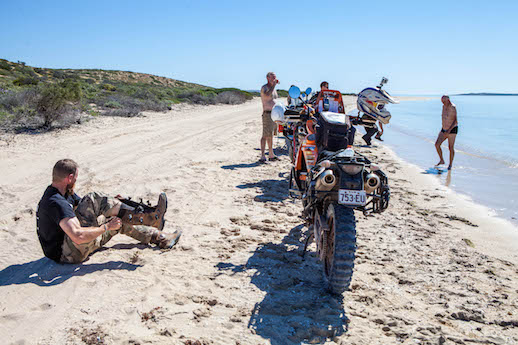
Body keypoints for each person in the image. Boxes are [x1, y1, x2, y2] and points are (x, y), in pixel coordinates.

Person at [36, 159, 182, 264]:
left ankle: (161, 237)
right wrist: (105, 227)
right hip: (67, 254)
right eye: (76, 178)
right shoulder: (55, 202)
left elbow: (86, 208)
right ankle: (151, 217)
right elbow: (78, 236)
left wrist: (116, 204)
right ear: (70, 178)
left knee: (117, 219)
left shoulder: (64, 193)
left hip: (70, 247)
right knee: (94, 199)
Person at [260, 72, 279, 162]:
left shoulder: (273, 88)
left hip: (274, 114)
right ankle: (263, 155)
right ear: (268, 78)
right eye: (272, 78)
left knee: (271, 135)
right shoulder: (265, 88)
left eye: (275, 78)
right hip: (267, 113)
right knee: (265, 134)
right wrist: (274, 85)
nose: (274, 79)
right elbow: (267, 95)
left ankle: (271, 154)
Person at [435, 95, 458, 169]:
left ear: (448, 100)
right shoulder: (443, 106)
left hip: (452, 130)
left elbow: (455, 121)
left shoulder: (453, 107)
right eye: (442, 101)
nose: (443, 103)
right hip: (444, 129)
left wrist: (449, 130)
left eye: (444, 101)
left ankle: (450, 164)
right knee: (437, 144)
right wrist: (444, 128)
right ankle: (442, 160)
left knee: (450, 147)